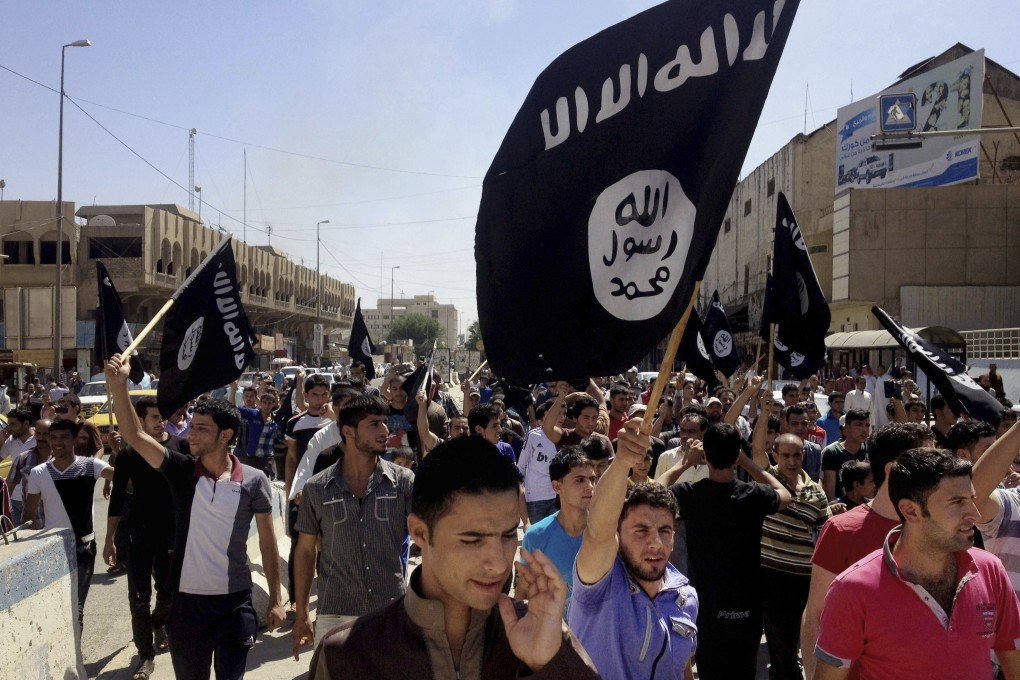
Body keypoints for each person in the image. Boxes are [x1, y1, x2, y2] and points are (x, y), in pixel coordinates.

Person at [309, 435, 599, 679]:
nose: (499, 563)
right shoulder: (349, 654)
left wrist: (549, 664)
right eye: (472, 540)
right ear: (420, 533)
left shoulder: (541, 632)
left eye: (508, 535)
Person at [105, 354, 285, 680]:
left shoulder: (254, 481)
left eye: (202, 429)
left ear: (226, 435)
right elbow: (134, 436)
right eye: (193, 426)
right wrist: (119, 385)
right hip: (186, 606)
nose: (192, 434)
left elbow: (269, 545)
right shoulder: (181, 471)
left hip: (235, 605)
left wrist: (275, 599)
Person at [813, 448, 1020, 679]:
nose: (974, 513)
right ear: (911, 511)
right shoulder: (852, 589)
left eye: (971, 499)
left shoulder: (990, 570)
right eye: (957, 502)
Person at [800, 422, 934, 679]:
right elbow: (816, 614)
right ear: (893, 470)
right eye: (928, 462)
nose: (938, 471)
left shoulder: (939, 529)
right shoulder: (841, 530)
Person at [569, 420, 698, 679]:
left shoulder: (686, 596)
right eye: (641, 531)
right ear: (618, 533)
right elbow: (598, 532)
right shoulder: (600, 585)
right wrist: (621, 463)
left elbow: (682, 667)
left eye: (665, 531)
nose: (656, 543)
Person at [664, 423, 792, 679]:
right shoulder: (752, 494)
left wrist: (684, 464)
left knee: (710, 669)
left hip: (706, 603)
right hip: (747, 602)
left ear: (706, 455)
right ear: (736, 456)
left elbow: (653, 491)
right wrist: (747, 463)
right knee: (745, 670)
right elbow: (785, 495)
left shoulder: (690, 494)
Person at [292, 396, 414, 654]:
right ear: (348, 431)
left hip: (390, 612)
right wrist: (302, 613)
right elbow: (305, 551)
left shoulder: (403, 482)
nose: (385, 430)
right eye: (375, 424)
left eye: (385, 422)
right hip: (334, 614)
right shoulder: (316, 488)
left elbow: (431, 538)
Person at [103, 396, 189, 679]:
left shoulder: (181, 447)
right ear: (140, 420)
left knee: (169, 592)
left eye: (162, 416)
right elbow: (117, 499)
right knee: (139, 599)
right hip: (138, 534)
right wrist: (110, 538)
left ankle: (159, 622)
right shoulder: (128, 455)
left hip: (172, 534)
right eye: (154, 417)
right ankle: (145, 655)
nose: (161, 422)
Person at [23, 418, 115, 638]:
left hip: (83, 548)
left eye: (64, 437)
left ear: (75, 440)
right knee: (56, 607)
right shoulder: (38, 473)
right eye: (53, 437)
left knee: (76, 607)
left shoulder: (90, 466)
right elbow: (29, 516)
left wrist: (118, 450)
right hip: (52, 549)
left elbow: (124, 478)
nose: (57, 442)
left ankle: (76, 655)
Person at [753, 426, 830, 680]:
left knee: (799, 642)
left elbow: (824, 535)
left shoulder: (816, 492)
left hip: (805, 580)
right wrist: (763, 410)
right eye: (785, 455)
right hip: (771, 577)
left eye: (797, 455)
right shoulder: (767, 481)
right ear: (774, 455)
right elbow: (756, 450)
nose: (791, 461)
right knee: (781, 646)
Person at [518, 447, 595, 617]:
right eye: (580, 480)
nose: (589, 486)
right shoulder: (536, 536)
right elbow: (523, 592)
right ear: (557, 486)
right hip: (554, 631)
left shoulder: (605, 533)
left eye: (592, 479)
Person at [517, 400, 561, 524]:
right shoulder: (533, 436)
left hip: (557, 497)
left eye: (564, 413)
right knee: (537, 535)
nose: (561, 417)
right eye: (557, 413)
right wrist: (519, 496)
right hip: (535, 499)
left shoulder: (565, 436)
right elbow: (521, 466)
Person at [6, 418, 50, 526]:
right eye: (38, 433)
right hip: (31, 526)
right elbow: (6, 492)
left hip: (56, 525)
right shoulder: (23, 459)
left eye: (46, 434)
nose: (41, 438)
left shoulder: (61, 460)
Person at [820, 409, 870, 501]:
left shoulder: (870, 450)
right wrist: (834, 505)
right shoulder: (832, 452)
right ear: (846, 428)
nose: (864, 430)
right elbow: (830, 491)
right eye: (859, 425)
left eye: (867, 425)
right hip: (841, 505)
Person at [55, 392, 103, 459]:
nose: (61, 409)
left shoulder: (89, 427)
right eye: (60, 407)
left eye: (65, 406)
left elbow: (99, 449)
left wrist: (93, 463)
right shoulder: (55, 427)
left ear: (76, 408)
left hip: (82, 465)